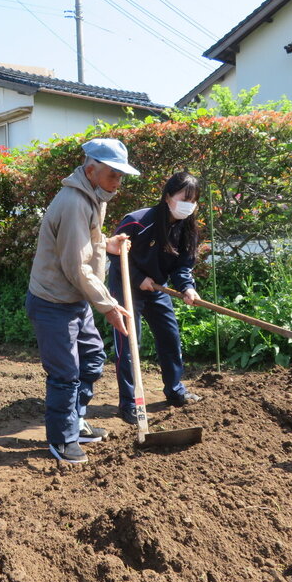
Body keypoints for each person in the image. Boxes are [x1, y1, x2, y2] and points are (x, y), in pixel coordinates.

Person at [25, 138, 137, 464]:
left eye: (120, 176)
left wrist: (109, 245)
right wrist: (108, 305)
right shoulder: (74, 203)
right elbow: (75, 267)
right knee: (65, 373)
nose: (118, 183)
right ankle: (61, 440)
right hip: (53, 302)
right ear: (91, 170)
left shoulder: (94, 196)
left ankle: (75, 419)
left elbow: (89, 244)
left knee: (91, 359)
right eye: (113, 175)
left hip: (75, 299)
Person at [108, 171, 204, 425]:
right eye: (184, 198)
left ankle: (175, 390)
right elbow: (115, 254)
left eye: (193, 201)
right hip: (127, 285)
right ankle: (128, 403)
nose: (189, 205)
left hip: (158, 287)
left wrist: (187, 287)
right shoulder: (138, 221)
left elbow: (183, 266)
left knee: (170, 336)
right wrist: (138, 277)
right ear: (167, 196)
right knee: (129, 343)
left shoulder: (187, 229)